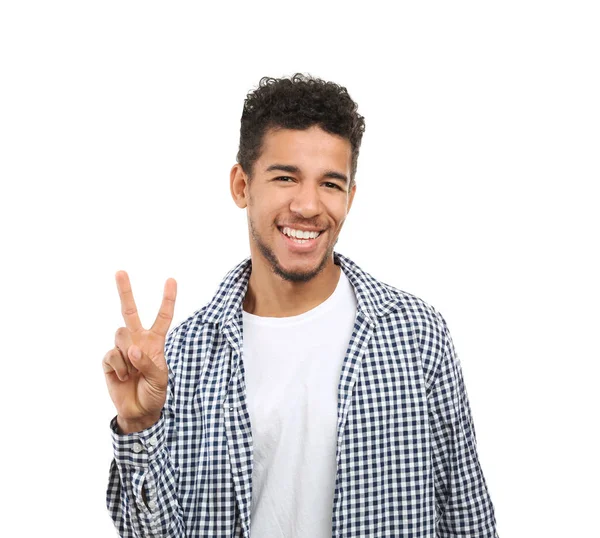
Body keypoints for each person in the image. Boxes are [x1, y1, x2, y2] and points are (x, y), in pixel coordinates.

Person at [103, 73, 498, 538]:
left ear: (350, 198)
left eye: (330, 184)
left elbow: (468, 519)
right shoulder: (181, 355)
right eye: (286, 177)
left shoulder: (417, 335)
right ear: (241, 186)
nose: (309, 206)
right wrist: (139, 424)